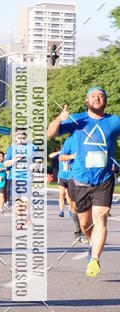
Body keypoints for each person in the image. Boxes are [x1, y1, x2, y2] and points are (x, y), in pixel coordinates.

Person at [48, 87, 120, 277]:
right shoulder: (77, 119)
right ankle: (91, 242)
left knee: (100, 219)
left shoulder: (114, 121)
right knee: (85, 224)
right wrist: (59, 119)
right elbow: (50, 133)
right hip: (80, 180)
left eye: (101, 96)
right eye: (93, 96)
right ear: (86, 101)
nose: (98, 98)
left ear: (105, 101)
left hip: (104, 179)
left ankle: (94, 259)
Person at [57, 133, 87, 244]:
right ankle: (77, 231)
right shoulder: (70, 140)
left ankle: (86, 233)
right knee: (74, 205)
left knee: (86, 206)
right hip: (73, 177)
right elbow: (61, 157)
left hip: (89, 178)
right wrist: (72, 156)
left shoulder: (93, 139)